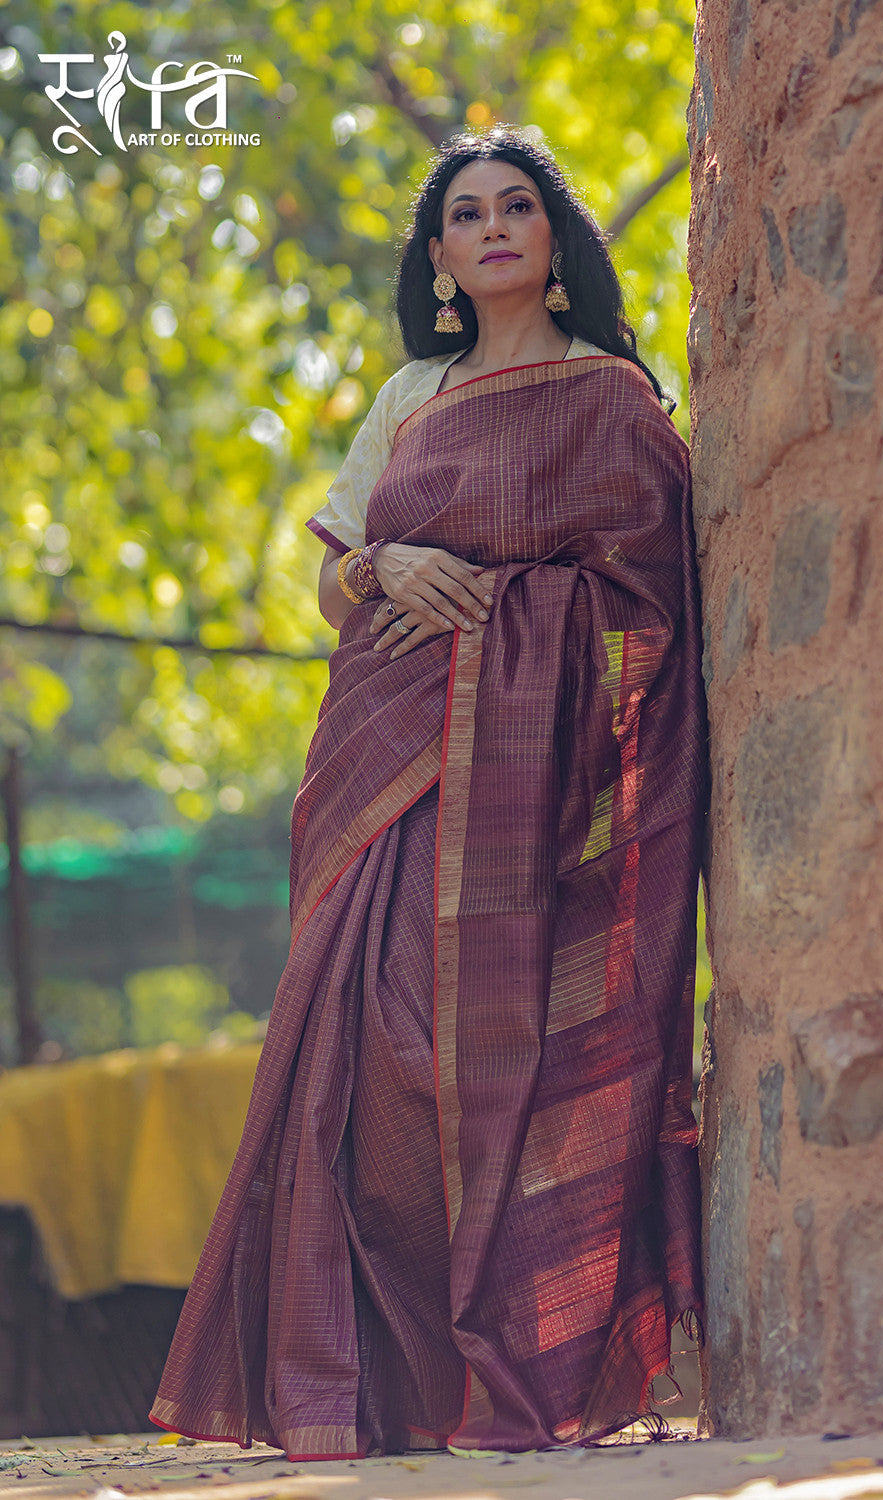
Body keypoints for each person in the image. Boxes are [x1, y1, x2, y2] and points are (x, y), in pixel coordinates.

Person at [149, 125, 709, 1461]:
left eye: (520, 207)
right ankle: (382, 1384)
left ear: (555, 242)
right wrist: (392, 567)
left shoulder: (617, 396)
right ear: (442, 257)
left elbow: (653, 601)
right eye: (468, 216)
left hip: (527, 781)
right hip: (385, 764)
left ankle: (518, 1369)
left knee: (509, 1069)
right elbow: (334, 576)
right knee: (370, 1053)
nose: (495, 229)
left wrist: (517, 610)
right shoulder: (412, 393)